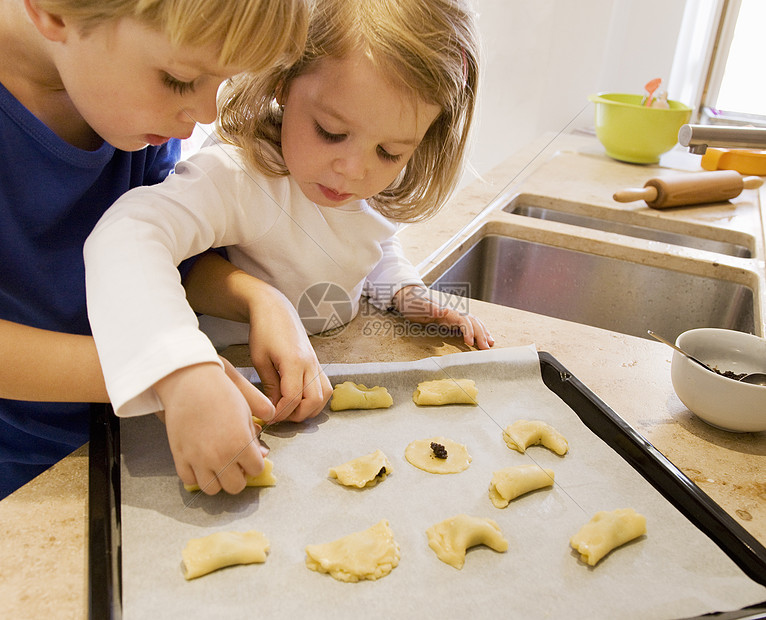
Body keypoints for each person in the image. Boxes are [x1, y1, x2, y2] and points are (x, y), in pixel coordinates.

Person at [84, 0, 492, 493]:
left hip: (316, 392)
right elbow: (128, 233)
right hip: (229, 410)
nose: (355, 169)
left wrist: (406, 292)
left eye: (390, 152)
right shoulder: (236, 177)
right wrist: (182, 369)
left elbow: (371, 244)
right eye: (331, 132)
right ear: (282, 82)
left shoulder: (360, 183)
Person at [0, 0, 328, 500]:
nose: (203, 116)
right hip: (21, 474)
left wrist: (258, 299)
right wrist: (164, 371)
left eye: (221, 82)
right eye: (179, 79)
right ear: (53, 11)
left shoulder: (131, 106)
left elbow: (159, 253)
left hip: (128, 440)